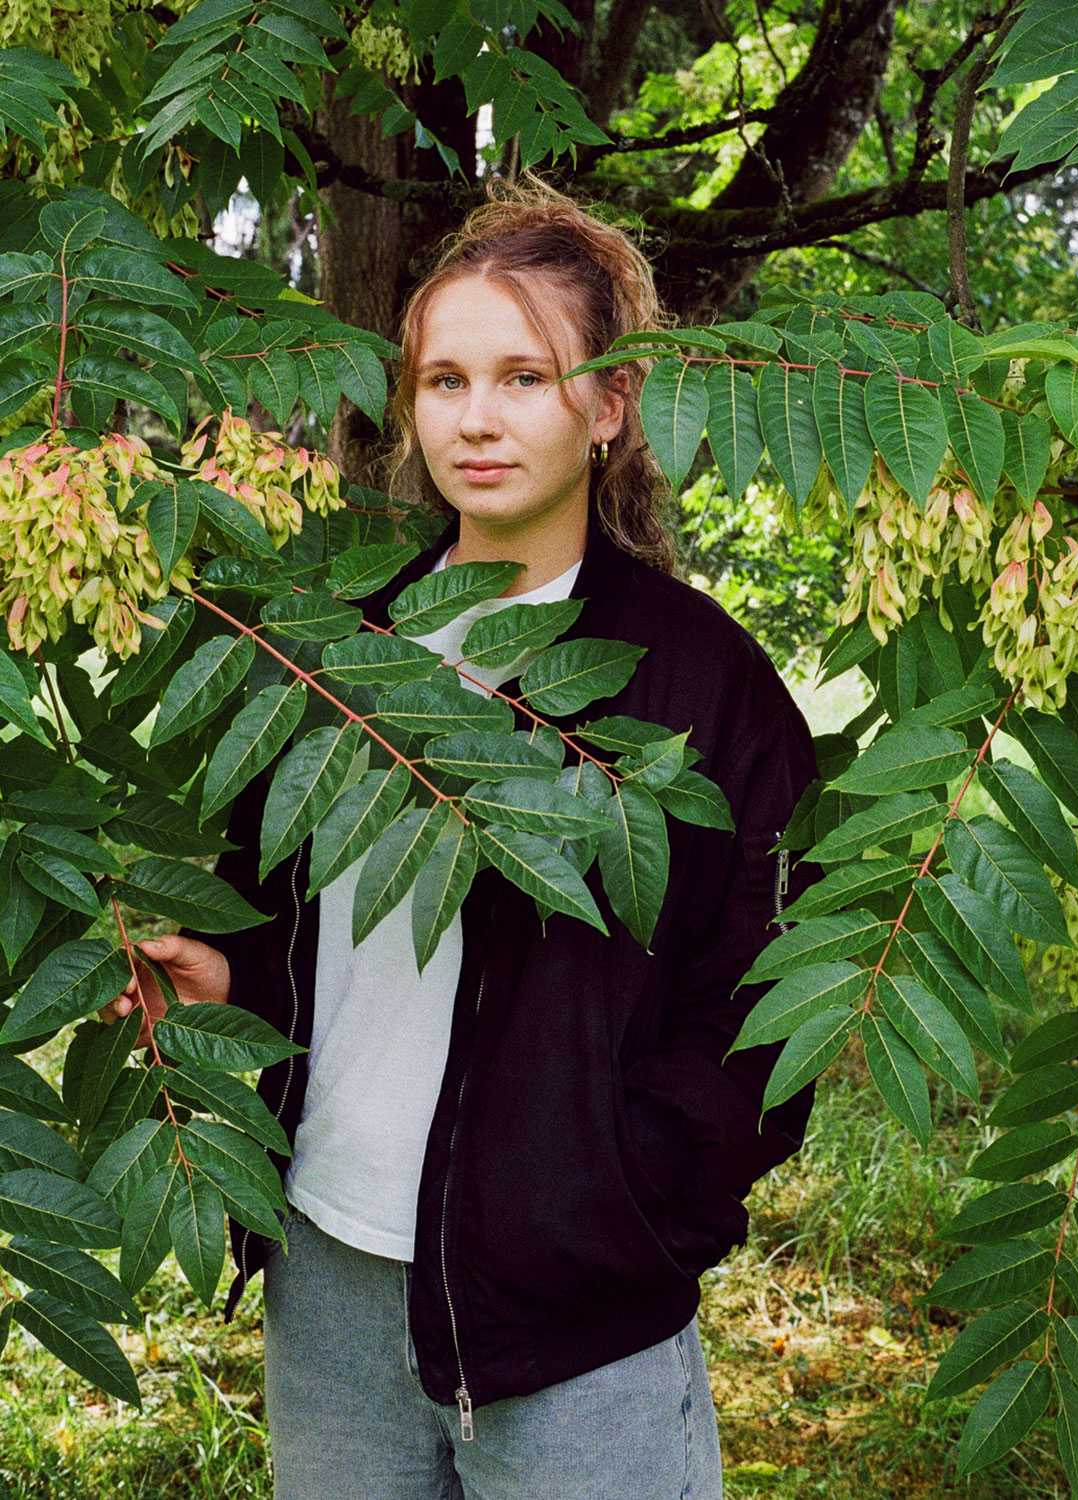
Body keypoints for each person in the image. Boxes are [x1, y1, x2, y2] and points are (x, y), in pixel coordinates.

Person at [103, 181, 818, 1500]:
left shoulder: (698, 684)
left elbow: (769, 1006)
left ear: (605, 409)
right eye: (443, 379)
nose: (475, 419)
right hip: (329, 1272)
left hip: (568, 1312)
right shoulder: (326, 653)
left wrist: (620, 1199)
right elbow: (293, 928)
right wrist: (229, 987)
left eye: (522, 377)